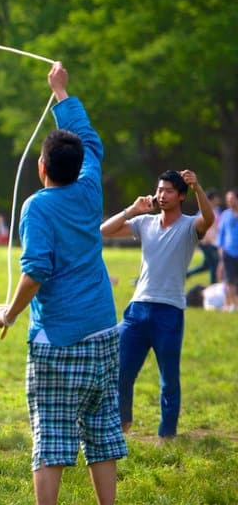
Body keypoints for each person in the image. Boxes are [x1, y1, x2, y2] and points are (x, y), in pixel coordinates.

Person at [0, 62, 126, 505]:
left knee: (51, 433)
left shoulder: (37, 206)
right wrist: (62, 94)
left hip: (58, 337)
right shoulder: (90, 190)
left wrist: (9, 311)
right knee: (103, 428)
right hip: (105, 330)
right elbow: (91, 142)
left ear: (42, 167)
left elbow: (36, 272)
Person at [101, 170, 213, 441]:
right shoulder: (145, 223)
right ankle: (122, 423)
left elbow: (209, 219)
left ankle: (167, 436)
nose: (161, 195)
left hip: (169, 312)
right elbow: (103, 232)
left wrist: (198, 187)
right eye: (159, 189)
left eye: (169, 191)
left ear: (181, 196)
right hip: (137, 309)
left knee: (169, 381)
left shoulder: (189, 226)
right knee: (120, 371)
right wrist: (132, 210)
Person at [185, 189, 221, 284]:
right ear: (212, 199)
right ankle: (213, 284)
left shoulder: (217, 211)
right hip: (206, 243)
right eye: (217, 198)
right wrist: (204, 240)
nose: (218, 200)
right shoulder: (203, 212)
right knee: (215, 264)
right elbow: (198, 227)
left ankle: (187, 274)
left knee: (206, 265)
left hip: (214, 242)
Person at [218, 189, 238, 311]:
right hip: (228, 252)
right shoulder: (225, 215)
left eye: (232, 199)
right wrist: (221, 253)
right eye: (227, 200)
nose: (229, 202)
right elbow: (221, 234)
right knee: (229, 280)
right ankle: (232, 305)